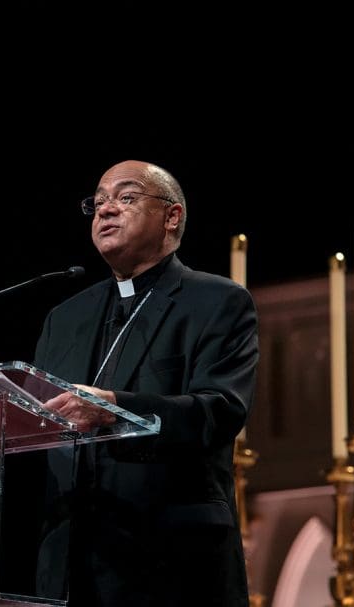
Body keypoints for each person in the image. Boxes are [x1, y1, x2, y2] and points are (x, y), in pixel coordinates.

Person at [33, 159, 260, 606]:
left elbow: (220, 410)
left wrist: (115, 407)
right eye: (97, 202)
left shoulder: (217, 301)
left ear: (172, 216)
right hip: (71, 562)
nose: (105, 210)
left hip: (171, 558)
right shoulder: (64, 319)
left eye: (126, 197)